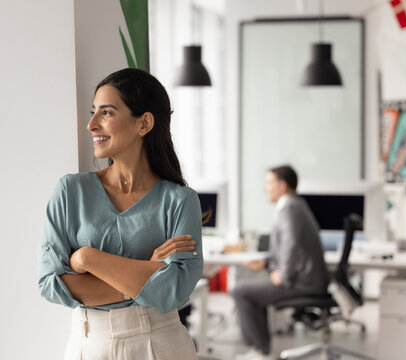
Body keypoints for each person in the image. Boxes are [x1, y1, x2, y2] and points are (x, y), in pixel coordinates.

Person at [37, 68, 204, 360]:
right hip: (89, 345)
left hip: (161, 344)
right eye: (93, 112)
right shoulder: (70, 191)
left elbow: (173, 291)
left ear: (144, 123)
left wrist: (87, 258)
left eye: (107, 112)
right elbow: (52, 284)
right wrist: (145, 274)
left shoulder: (180, 200)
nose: (91, 124)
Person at [232, 165, 328, 360]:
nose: (265, 188)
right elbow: (289, 245)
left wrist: (283, 276)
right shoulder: (294, 205)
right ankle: (262, 349)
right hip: (306, 279)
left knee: (241, 291)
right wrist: (267, 264)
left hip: (302, 284)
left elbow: (291, 244)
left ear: (282, 186)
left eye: (269, 183)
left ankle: (260, 352)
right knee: (250, 290)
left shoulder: (289, 207)